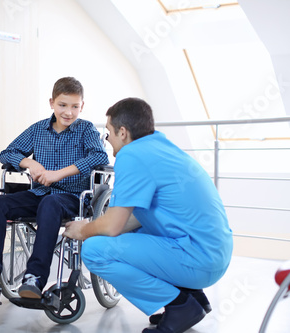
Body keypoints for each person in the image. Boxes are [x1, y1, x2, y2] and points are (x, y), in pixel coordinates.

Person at [63, 97, 233, 333]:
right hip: (215, 253)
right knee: (140, 227)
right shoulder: (160, 147)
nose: (107, 138)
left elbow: (113, 226)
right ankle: (191, 296)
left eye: (109, 132)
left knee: (94, 250)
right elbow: (134, 219)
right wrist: (97, 224)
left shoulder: (131, 155)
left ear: (123, 132)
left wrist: (83, 229)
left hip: (198, 260)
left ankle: (180, 306)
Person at [0, 77, 109, 301]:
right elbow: (7, 153)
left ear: (82, 106)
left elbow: (99, 156)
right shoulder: (38, 129)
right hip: (40, 194)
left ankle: (34, 278)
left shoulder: (86, 130)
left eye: (75, 106)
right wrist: (29, 163)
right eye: (63, 105)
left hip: (72, 197)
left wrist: (58, 174)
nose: (68, 112)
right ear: (52, 103)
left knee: (51, 203)